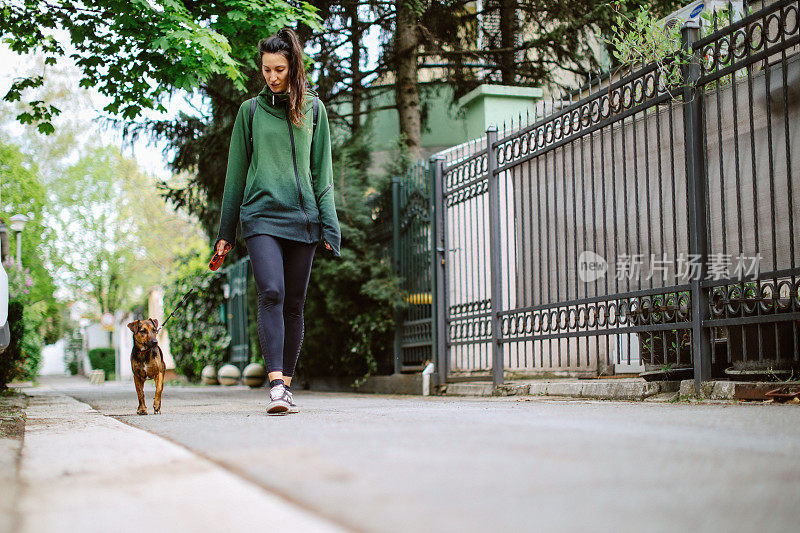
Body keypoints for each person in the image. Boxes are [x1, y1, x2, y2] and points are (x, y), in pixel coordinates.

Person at [214, 28, 341, 415]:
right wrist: (225, 234)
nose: (272, 76)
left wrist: (330, 226)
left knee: (295, 304)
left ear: (293, 68)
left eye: (280, 69)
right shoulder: (250, 112)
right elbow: (235, 175)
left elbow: (323, 174)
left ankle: (285, 385)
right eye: (267, 69)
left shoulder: (313, 111)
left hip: (303, 221)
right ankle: (274, 385)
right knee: (272, 292)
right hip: (261, 217)